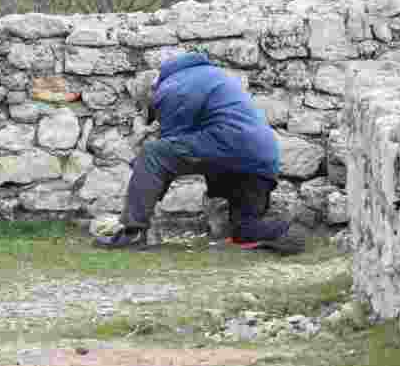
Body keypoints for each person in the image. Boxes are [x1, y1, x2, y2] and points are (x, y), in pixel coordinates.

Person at [94, 52, 307, 254]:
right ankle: (285, 230)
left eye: (151, 108)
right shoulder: (204, 75)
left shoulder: (169, 88)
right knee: (245, 230)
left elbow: (164, 159)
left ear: (152, 91)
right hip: (261, 162)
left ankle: (132, 232)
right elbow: (185, 143)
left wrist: (144, 193)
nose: (155, 113)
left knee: (152, 153)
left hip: (232, 148)